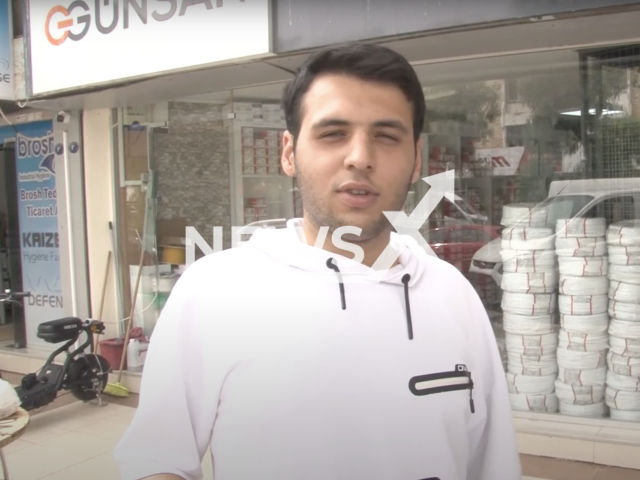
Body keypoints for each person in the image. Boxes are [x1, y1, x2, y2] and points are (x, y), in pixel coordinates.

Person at [113, 42, 521, 480]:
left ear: (415, 158)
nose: (360, 157)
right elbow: (158, 459)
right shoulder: (214, 291)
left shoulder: (452, 294)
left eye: (386, 136)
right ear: (288, 152)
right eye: (333, 133)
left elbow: (491, 464)